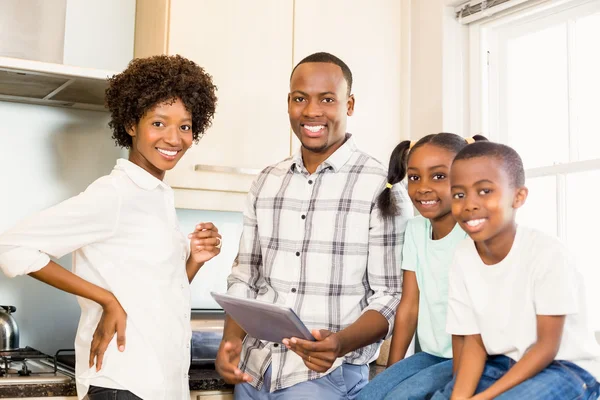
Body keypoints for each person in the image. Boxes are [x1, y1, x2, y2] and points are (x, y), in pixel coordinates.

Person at [0, 55, 221, 400]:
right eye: (159, 123)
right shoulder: (116, 194)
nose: (174, 138)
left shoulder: (156, 195)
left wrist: (193, 260)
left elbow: (155, 294)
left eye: (184, 126)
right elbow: (11, 248)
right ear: (132, 124)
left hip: (158, 382)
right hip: (124, 383)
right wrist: (106, 299)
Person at [214, 52, 412, 399]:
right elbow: (246, 273)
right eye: (300, 98)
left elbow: (391, 296)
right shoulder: (266, 180)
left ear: (349, 105)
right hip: (253, 371)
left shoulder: (382, 185)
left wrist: (339, 343)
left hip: (328, 377)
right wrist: (231, 340)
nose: (311, 111)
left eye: (327, 99)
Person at [431, 141, 600, 399]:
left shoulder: (547, 253)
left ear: (518, 197)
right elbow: (474, 344)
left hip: (567, 368)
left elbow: (546, 347)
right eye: (459, 194)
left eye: (485, 191)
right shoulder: (462, 256)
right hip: (500, 363)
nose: (469, 204)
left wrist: (484, 397)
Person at [357, 133, 487, 400]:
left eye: (439, 176)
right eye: (415, 177)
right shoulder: (416, 230)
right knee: (369, 396)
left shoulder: (475, 235)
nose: (423, 187)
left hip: (473, 357)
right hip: (429, 355)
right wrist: (394, 371)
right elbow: (409, 306)